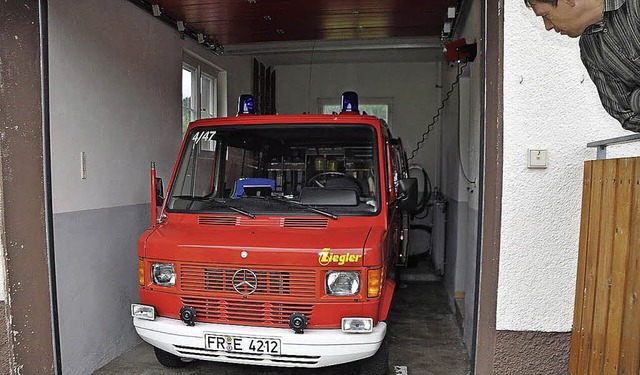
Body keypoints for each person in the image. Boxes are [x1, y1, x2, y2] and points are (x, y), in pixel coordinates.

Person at [525, 0, 640, 132]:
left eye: (546, 15)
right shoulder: (590, 48)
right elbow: (626, 115)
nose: (547, 26)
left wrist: (636, 98)